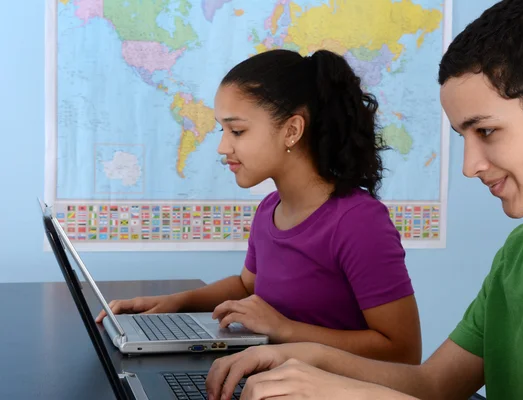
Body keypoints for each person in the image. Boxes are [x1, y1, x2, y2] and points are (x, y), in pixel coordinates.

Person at [204, 0, 523, 399]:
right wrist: (299, 358)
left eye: (487, 131)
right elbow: (433, 384)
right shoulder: (520, 251)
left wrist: (345, 393)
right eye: (464, 137)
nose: (470, 166)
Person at [95, 48, 422, 363]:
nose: (223, 146)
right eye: (223, 130)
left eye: (237, 130)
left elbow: (404, 352)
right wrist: (176, 302)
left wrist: (286, 330)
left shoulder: (359, 222)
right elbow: (247, 285)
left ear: (292, 130)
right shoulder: (270, 210)